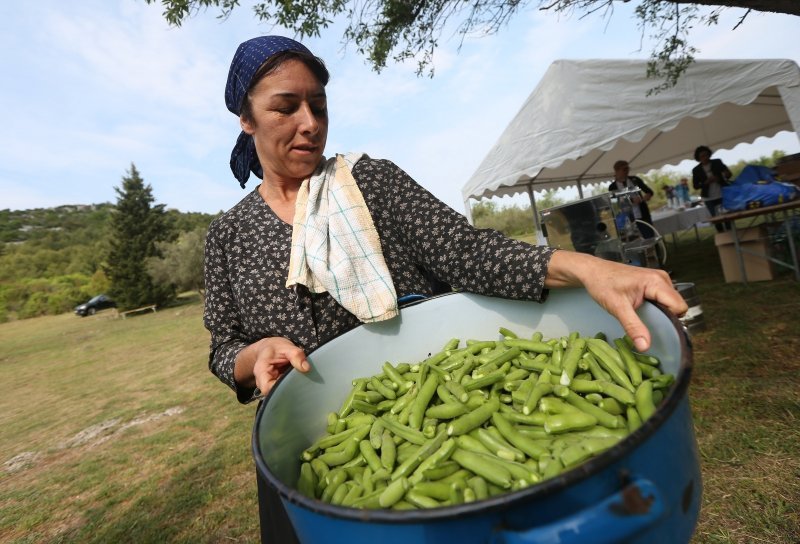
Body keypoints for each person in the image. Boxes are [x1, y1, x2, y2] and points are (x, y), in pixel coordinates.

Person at [204, 36, 688, 543]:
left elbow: (468, 253)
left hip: (423, 412)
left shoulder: (370, 184)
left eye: (319, 106)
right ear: (246, 118)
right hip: (307, 451)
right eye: (285, 108)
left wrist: (587, 267)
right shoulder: (228, 235)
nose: (310, 123)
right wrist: (254, 354)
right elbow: (224, 346)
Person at [607, 160, 655, 239]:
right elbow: (615, 205)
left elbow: (649, 192)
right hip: (627, 220)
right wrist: (631, 201)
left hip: (642, 216)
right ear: (617, 171)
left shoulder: (634, 180)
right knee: (634, 241)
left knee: (650, 238)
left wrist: (646, 197)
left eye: (628, 168)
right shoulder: (612, 187)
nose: (627, 171)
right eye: (624, 169)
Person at [692, 145, 732, 232]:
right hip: (708, 197)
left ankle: (731, 233)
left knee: (727, 216)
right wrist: (706, 183)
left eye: (706, 155)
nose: (705, 157)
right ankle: (722, 236)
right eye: (702, 156)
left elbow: (728, 174)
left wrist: (722, 176)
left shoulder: (717, 162)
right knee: (716, 219)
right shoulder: (696, 170)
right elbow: (695, 186)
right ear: (698, 158)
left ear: (709, 154)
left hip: (722, 193)